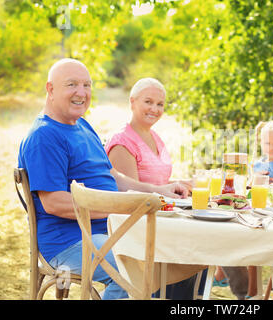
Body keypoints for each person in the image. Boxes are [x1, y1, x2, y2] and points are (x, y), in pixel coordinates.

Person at [18, 58, 189, 300]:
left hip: (108, 230)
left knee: (177, 253)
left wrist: (158, 190)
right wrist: (122, 207)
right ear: (50, 89)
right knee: (135, 268)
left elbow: (113, 176)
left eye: (87, 85)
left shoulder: (81, 125)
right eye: (72, 85)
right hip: (70, 241)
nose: (82, 93)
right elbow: (54, 203)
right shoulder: (45, 136)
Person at [104, 77, 195, 299]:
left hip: (161, 216)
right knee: (189, 250)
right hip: (137, 226)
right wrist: (167, 189)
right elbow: (130, 194)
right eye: (148, 102)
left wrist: (182, 184)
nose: (155, 109)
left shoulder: (155, 136)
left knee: (195, 251)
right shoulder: (122, 142)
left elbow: (157, 181)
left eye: (160, 104)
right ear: (132, 102)